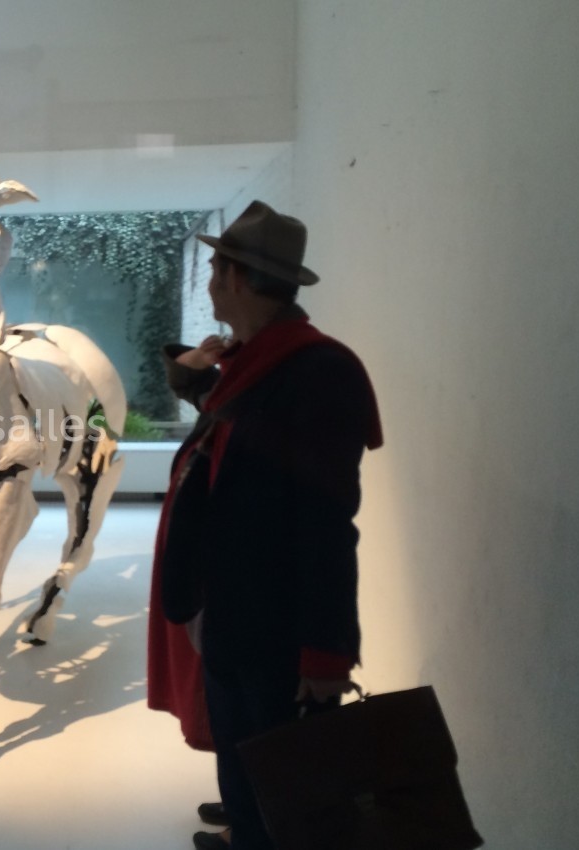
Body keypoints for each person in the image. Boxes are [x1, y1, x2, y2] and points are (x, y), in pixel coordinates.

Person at [157, 201, 383, 850]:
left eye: (214, 271)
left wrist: (327, 651)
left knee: (289, 798)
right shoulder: (254, 361)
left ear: (236, 280)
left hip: (278, 635)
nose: (207, 283)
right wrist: (194, 368)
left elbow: (327, 525)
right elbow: (214, 407)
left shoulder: (316, 371)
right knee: (245, 770)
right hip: (233, 619)